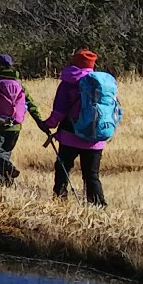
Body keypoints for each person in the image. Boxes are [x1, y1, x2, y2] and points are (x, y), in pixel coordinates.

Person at [38, 48, 117, 206]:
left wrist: (47, 125)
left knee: (63, 170)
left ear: (74, 62)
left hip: (70, 136)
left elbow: (59, 112)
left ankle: (60, 202)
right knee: (91, 175)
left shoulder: (68, 83)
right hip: (96, 137)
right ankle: (99, 207)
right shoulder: (102, 84)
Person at [0, 53, 37, 185]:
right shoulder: (18, 83)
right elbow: (31, 104)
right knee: (5, 153)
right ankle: (3, 182)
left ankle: (9, 169)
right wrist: (40, 123)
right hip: (15, 125)